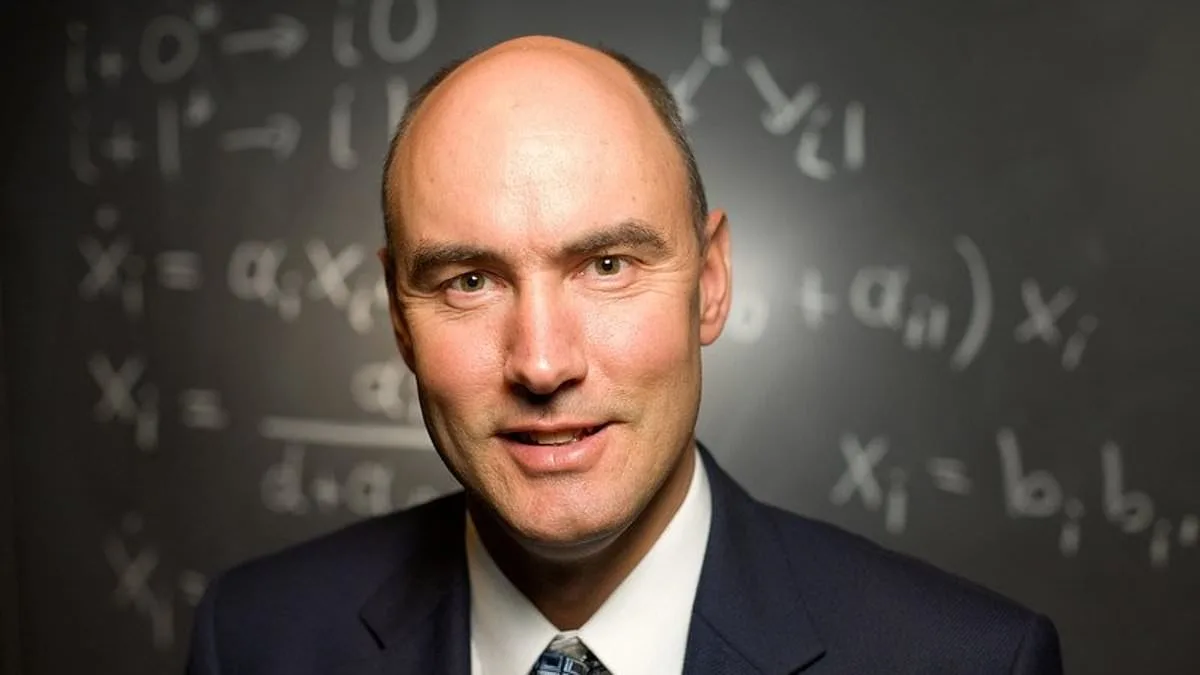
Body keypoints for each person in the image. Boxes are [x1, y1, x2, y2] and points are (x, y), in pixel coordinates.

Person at [185, 35, 1063, 674]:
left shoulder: (971, 661)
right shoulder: (255, 640)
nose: (541, 363)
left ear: (709, 282)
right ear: (397, 315)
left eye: (607, 265)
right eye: (469, 281)